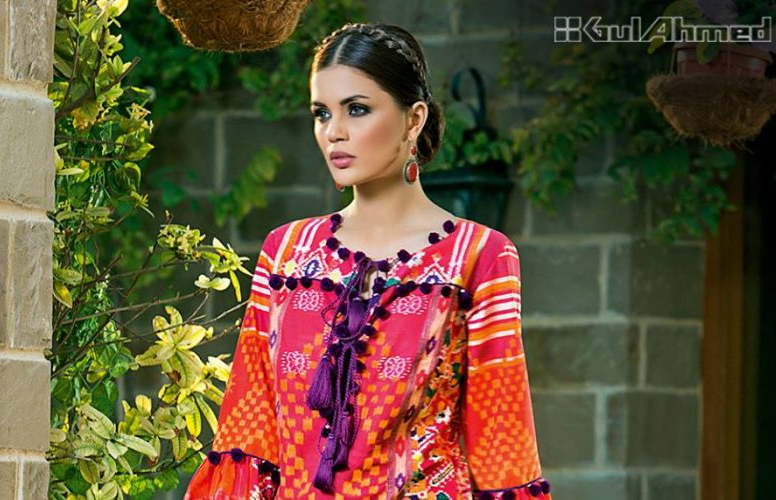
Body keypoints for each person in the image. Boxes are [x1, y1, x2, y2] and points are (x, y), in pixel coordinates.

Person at [184, 22, 553, 500]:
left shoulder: (479, 255)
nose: (334, 132)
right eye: (321, 113)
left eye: (356, 109)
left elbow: (501, 441)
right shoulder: (286, 251)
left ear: (414, 119)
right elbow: (250, 430)